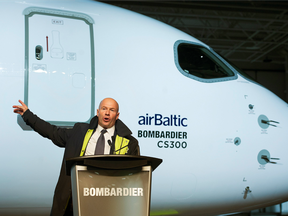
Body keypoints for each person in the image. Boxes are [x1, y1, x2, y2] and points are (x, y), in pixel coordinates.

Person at [13, 98, 139, 216]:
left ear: (117, 115)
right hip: (72, 201)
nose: (107, 113)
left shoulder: (129, 143)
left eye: (112, 110)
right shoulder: (80, 131)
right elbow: (53, 132)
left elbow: (133, 178)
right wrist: (28, 116)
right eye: (104, 108)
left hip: (105, 203)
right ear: (98, 112)